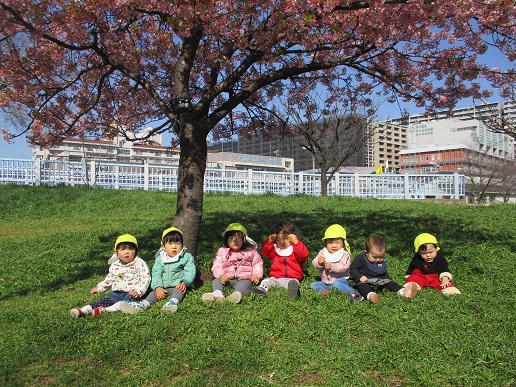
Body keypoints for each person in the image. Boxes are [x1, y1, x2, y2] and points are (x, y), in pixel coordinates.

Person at [69, 234, 151, 318]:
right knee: (103, 301)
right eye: (123, 249)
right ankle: (83, 310)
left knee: (125, 303)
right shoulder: (115, 265)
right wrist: (99, 288)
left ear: (136, 251)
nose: (127, 252)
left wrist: (138, 291)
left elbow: (145, 278)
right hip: (116, 293)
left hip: (131, 293)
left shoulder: (139, 263)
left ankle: (106, 310)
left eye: (130, 249)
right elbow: (110, 279)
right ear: (116, 252)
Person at [120, 226, 196, 314]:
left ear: (182, 245)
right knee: (153, 294)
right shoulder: (160, 258)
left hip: (178, 284)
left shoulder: (186, 257)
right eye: (170, 244)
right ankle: (143, 304)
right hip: (163, 286)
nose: (174, 247)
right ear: (163, 246)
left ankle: (172, 302)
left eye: (178, 243)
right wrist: (158, 287)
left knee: (179, 291)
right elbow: (156, 273)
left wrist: (185, 282)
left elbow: (190, 271)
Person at [202, 223, 263, 304]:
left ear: (244, 240)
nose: (235, 240)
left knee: (244, 284)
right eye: (231, 238)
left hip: (243, 278)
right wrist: (221, 275)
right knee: (216, 281)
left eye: (239, 238)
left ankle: (237, 294)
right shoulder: (222, 252)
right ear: (227, 240)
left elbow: (257, 263)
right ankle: (217, 293)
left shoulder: (250, 252)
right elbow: (217, 265)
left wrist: (257, 275)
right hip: (227, 279)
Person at [251, 221, 310, 300]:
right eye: (278, 240)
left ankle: (293, 293)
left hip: (292, 278)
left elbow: (304, 255)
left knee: (293, 283)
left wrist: (297, 243)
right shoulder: (276, 251)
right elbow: (265, 252)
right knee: (266, 281)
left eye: (285, 238)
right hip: (276, 278)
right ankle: (261, 291)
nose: (282, 242)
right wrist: (269, 242)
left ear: (292, 237)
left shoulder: (294, 249)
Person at [349, 236, 416, 303]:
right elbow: (352, 268)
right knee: (363, 287)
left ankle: (404, 292)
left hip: (379, 281)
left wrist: (388, 280)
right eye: (375, 257)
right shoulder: (361, 258)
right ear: (366, 253)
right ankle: (371, 296)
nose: (378, 260)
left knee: (391, 284)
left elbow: (383, 271)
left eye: (381, 257)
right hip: (365, 281)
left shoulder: (381, 261)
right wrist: (359, 277)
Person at [310, 224, 364, 303]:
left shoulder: (344, 254)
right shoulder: (323, 252)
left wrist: (332, 266)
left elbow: (345, 267)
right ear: (325, 243)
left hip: (340, 280)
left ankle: (353, 294)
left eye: (337, 242)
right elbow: (314, 263)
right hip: (325, 282)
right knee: (313, 285)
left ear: (343, 243)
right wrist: (319, 262)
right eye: (330, 242)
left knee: (337, 283)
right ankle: (325, 292)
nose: (334, 245)